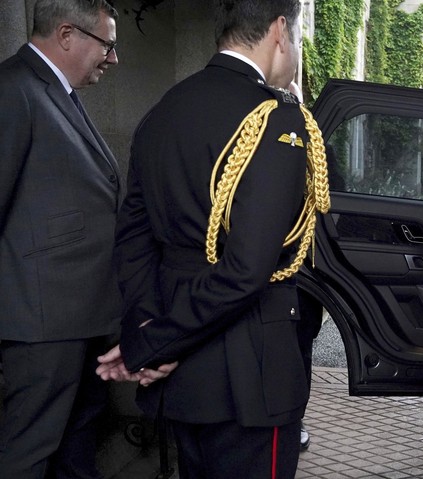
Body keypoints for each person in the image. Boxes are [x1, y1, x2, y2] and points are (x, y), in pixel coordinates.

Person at [96, 1, 330, 477]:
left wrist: (150, 334)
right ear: (280, 30)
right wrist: (154, 345)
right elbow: (247, 269)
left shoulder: (162, 111)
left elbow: (135, 238)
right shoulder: (277, 120)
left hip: (181, 377)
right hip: (249, 376)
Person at [0, 1, 122, 477]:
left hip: (79, 318)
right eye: (107, 45)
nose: (113, 60)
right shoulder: (13, 89)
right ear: (67, 35)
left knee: (76, 444)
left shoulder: (57, 90)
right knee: (30, 452)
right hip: (40, 326)